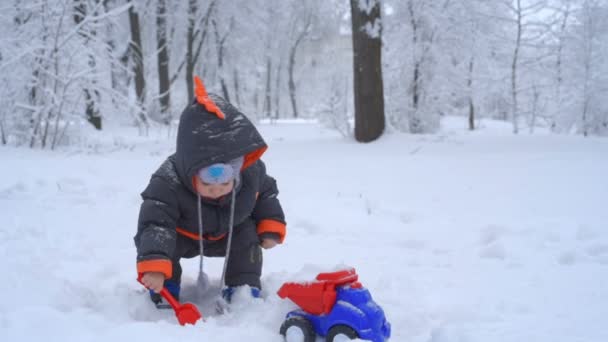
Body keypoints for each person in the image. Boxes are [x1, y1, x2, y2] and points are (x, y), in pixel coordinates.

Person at [134, 76, 286, 308]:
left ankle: (242, 288)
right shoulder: (168, 181)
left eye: (225, 184)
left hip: (228, 233)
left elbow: (266, 194)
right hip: (185, 235)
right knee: (167, 240)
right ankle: (166, 287)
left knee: (247, 236)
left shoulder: (250, 174)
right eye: (207, 185)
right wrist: (154, 266)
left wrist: (271, 226)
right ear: (189, 171)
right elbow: (155, 224)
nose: (216, 191)